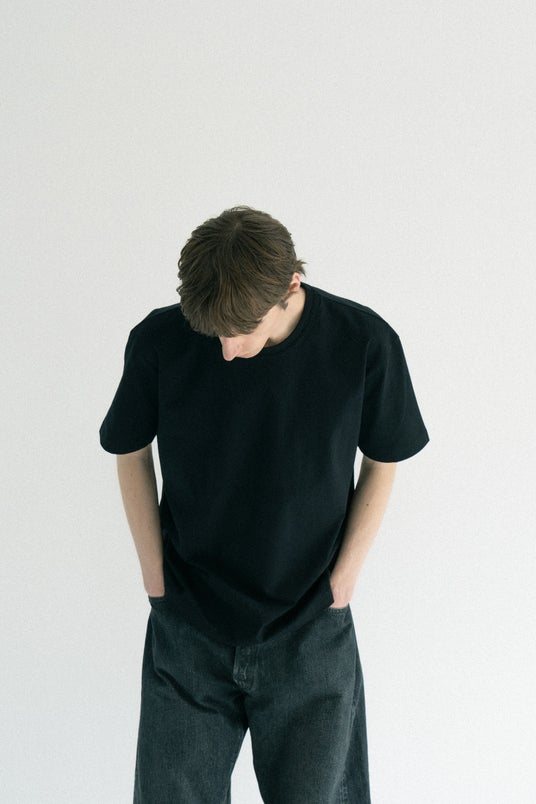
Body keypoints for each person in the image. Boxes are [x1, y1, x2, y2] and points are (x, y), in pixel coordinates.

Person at [99, 205, 429, 803]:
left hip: (310, 629)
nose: (227, 350)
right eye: (214, 334)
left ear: (291, 285)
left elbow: (384, 459)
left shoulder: (362, 342)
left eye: (242, 331)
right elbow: (129, 447)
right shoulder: (159, 339)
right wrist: (154, 577)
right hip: (189, 625)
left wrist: (343, 581)